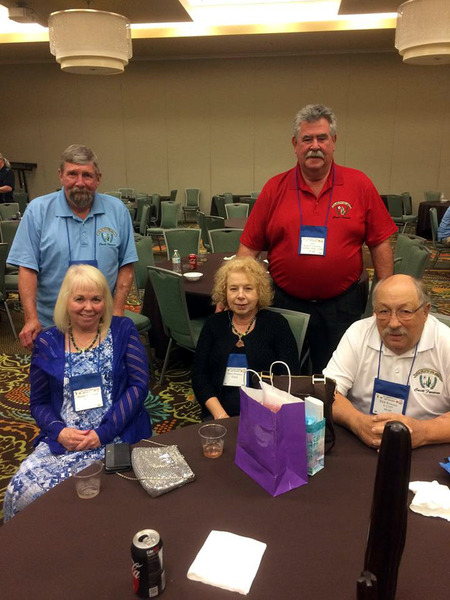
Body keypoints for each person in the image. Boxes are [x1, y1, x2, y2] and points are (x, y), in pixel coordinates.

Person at [237, 104, 397, 373]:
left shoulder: (359, 184)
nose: (315, 146)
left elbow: (380, 243)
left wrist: (387, 299)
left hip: (341, 306)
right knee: (281, 371)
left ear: (333, 142)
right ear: (295, 144)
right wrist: (235, 290)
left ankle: (331, 416)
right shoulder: (275, 187)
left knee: (335, 376)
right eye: (307, 139)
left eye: (322, 138)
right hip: (284, 303)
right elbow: (249, 247)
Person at [3, 265, 152, 521]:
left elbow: (138, 386)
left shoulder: (123, 330)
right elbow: (38, 402)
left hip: (116, 434)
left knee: (113, 502)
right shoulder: (48, 341)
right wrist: (59, 431)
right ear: (66, 301)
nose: (88, 307)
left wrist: (102, 433)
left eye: (96, 299)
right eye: (79, 299)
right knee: (22, 492)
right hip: (65, 439)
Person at [7, 144, 137, 350]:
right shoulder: (37, 211)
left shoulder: (117, 211)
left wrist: (118, 311)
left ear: (98, 178)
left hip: (102, 323)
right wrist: (30, 318)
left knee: (107, 379)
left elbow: (126, 265)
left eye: (87, 175)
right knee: (53, 379)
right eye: (72, 174)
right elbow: (27, 268)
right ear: (60, 176)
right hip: (51, 324)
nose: (80, 182)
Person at [323, 274, 450, 449]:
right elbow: (327, 391)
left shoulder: (445, 342)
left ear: (425, 311)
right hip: (362, 440)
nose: (393, 323)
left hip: (426, 447)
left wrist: (424, 432)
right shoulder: (359, 333)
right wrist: (357, 422)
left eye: (405, 311)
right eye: (383, 311)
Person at [192, 257, 299, 419]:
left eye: (248, 288)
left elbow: (289, 377)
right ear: (224, 291)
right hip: (218, 413)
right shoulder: (213, 324)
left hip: (267, 413)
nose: (240, 296)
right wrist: (220, 415)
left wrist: (262, 415)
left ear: (260, 291)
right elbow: (199, 376)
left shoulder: (277, 325)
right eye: (233, 289)